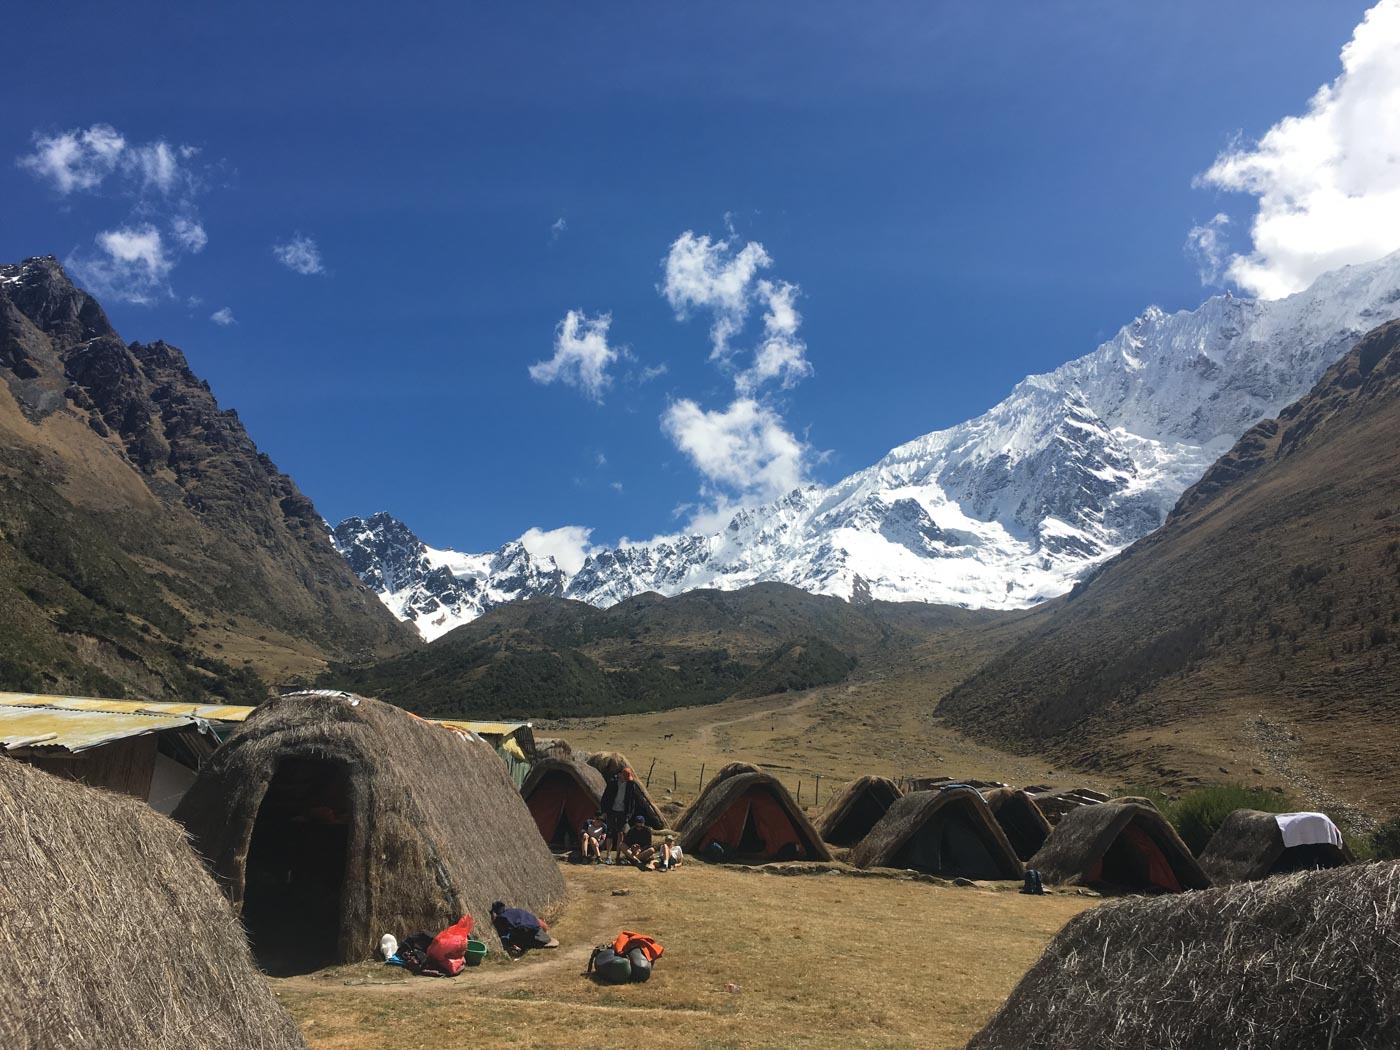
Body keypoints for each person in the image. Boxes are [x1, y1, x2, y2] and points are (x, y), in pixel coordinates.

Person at [490, 900, 559, 957]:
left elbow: (504, 938)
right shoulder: (517, 911)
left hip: (526, 934)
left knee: (510, 941)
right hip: (537, 930)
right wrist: (543, 933)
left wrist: (511, 948)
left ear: (495, 913)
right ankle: (538, 942)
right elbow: (541, 923)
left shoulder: (500, 919)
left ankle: (525, 946)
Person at [600, 767, 638, 863]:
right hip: (612, 810)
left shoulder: (630, 785)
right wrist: (604, 810)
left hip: (623, 812)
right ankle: (608, 855)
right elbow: (605, 797)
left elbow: (632, 801)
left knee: (620, 833)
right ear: (621, 775)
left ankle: (618, 856)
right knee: (610, 833)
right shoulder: (613, 783)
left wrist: (629, 814)